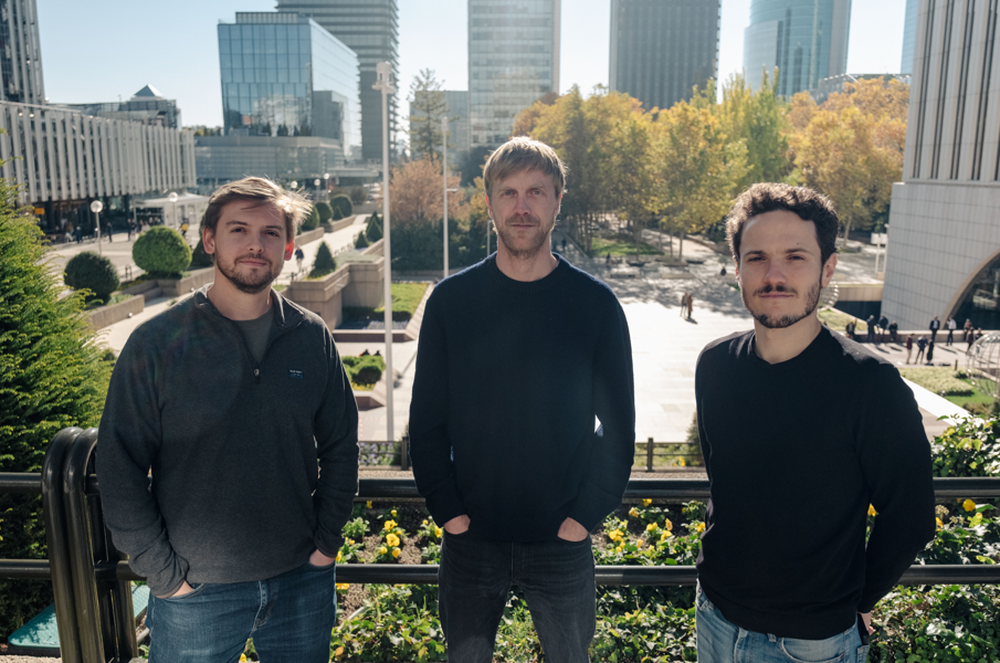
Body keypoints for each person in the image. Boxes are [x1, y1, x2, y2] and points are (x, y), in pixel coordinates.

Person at [97, 177, 360, 663]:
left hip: (301, 582)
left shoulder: (311, 337)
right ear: (209, 239)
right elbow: (119, 466)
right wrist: (166, 576)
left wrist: (326, 545)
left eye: (271, 232)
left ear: (288, 248)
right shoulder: (156, 343)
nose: (255, 245)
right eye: (239, 229)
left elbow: (342, 445)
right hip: (195, 595)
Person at [409, 137, 635, 663]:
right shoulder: (450, 302)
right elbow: (425, 424)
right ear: (488, 205)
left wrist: (583, 519)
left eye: (536, 191)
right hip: (470, 542)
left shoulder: (595, 306)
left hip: (562, 544)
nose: (522, 205)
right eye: (508, 192)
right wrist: (449, 513)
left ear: (558, 200)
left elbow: (620, 429)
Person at [695, 183, 935, 663]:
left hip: (811, 644)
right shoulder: (715, 364)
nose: (775, 274)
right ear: (737, 268)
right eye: (757, 257)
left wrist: (858, 602)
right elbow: (723, 481)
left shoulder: (871, 385)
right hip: (714, 618)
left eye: (796, 257)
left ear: (828, 268)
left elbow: (911, 517)